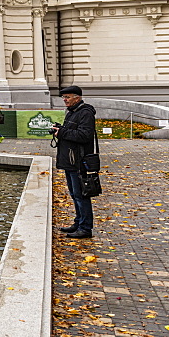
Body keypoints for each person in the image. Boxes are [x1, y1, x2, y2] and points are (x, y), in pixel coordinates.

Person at [50, 85, 97, 239]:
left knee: (81, 195)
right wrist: (60, 129)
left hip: (79, 161)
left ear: (77, 98)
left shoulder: (85, 113)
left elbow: (84, 135)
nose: (65, 100)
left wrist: (62, 132)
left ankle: (85, 228)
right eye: (64, 97)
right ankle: (78, 223)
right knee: (74, 194)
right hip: (70, 161)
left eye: (67, 97)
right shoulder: (72, 112)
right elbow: (73, 131)